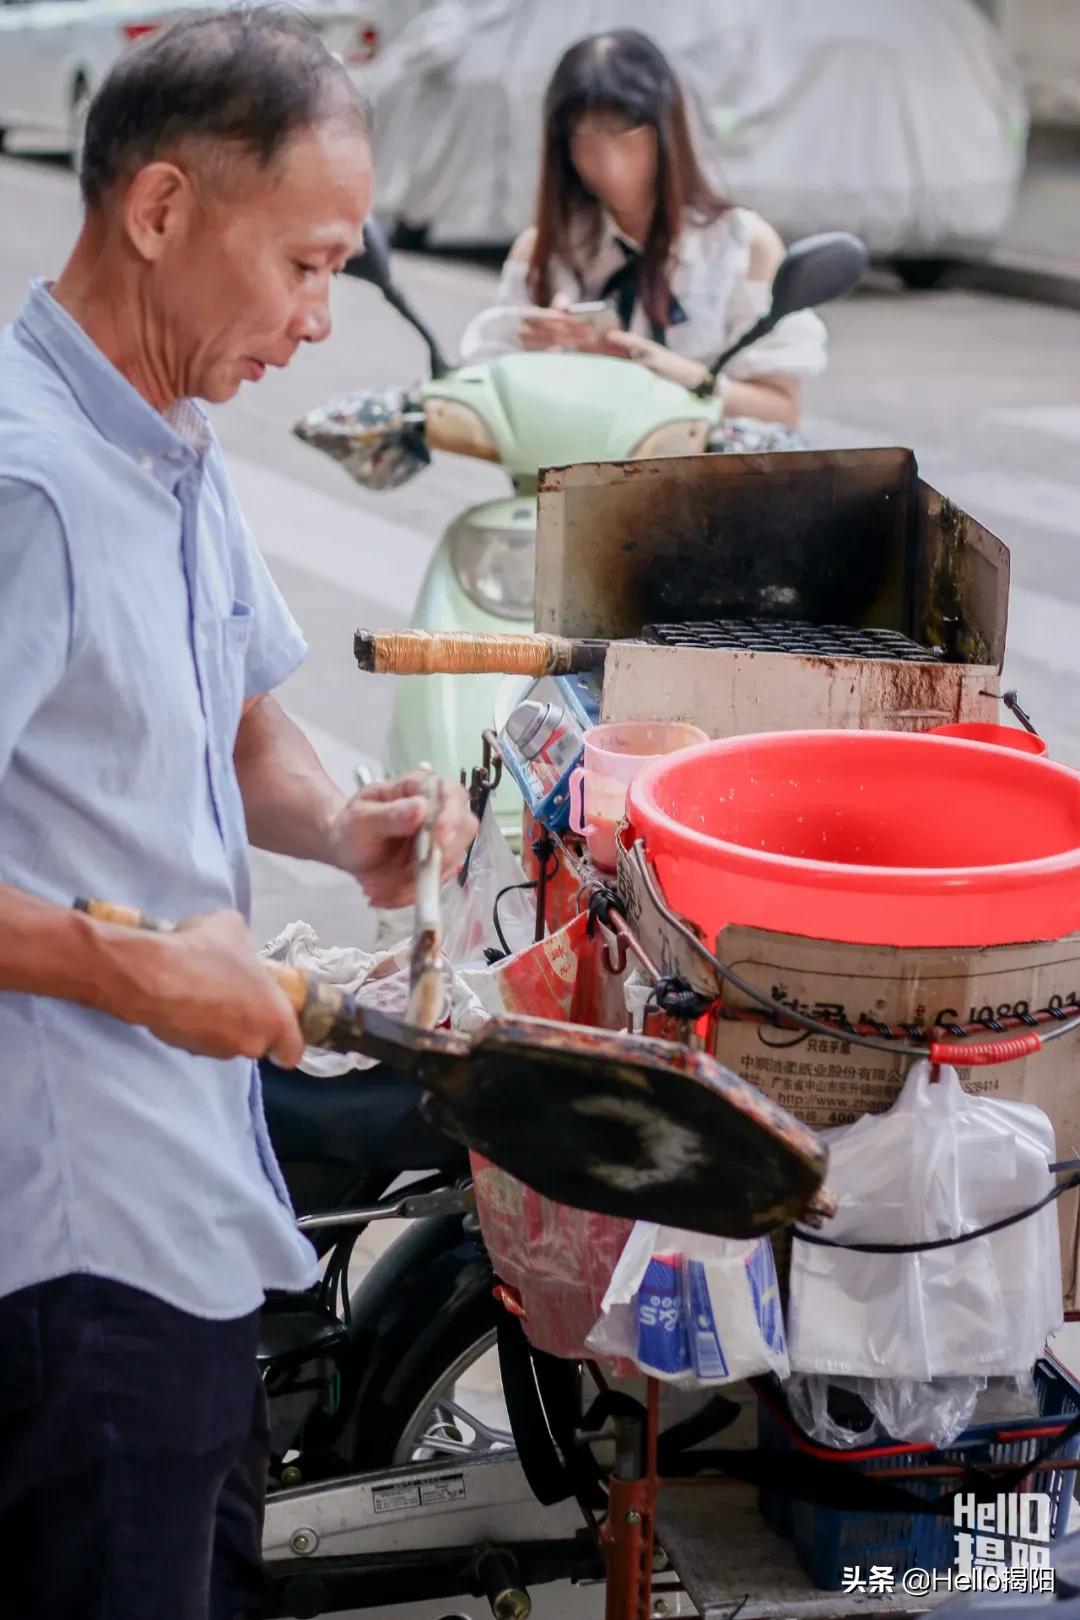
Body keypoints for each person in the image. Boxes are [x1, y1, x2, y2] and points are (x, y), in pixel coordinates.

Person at [0, 12, 475, 1617]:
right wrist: (139, 974)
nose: (320, 319)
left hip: (191, 1203)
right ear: (159, 214)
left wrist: (352, 821)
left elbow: (243, 723)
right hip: (75, 1250)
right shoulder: (30, 487)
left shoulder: (167, 443)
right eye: (305, 264)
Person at [460, 28, 827, 445]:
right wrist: (530, 349)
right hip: (576, 489)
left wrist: (667, 371)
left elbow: (781, 411)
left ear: (666, 132)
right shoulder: (545, 251)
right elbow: (490, 400)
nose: (611, 167)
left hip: (708, 495)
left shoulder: (743, 248)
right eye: (587, 147)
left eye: (627, 143)